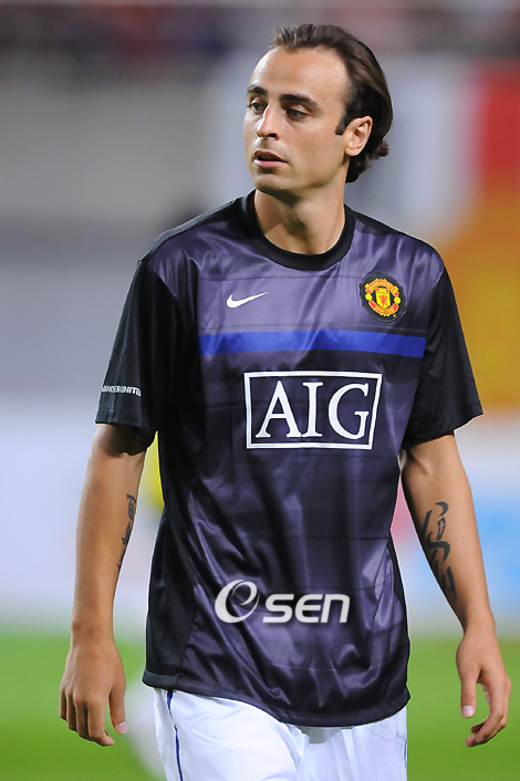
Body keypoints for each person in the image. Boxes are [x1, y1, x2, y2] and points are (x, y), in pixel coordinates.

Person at [60, 23, 510, 781]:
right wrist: (90, 632)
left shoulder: (413, 279)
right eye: (256, 103)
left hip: (366, 673)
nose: (265, 125)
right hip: (217, 663)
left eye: (296, 109)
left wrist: (479, 623)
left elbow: (432, 463)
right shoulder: (182, 271)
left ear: (355, 134)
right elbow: (119, 456)